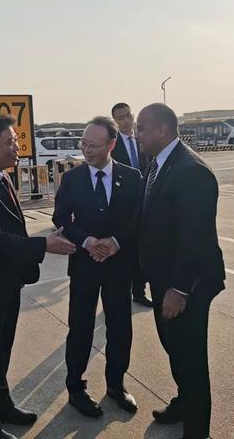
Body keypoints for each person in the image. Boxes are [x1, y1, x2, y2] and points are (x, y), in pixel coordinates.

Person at [0, 115, 76, 439]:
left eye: (17, 140)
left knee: (1, 350)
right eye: (9, 142)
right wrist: (43, 244)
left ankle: (3, 405)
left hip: (6, 281)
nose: (17, 147)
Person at [136, 103, 225, 439]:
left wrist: (180, 289)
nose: (137, 134)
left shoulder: (191, 171)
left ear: (162, 130)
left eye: (142, 128)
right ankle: (184, 401)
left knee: (191, 358)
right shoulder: (159, 163)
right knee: (174, 346)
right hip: (164, 279)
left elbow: (194, 237)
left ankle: (197, 430)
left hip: (188, 283)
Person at [53, 116, 142, 417]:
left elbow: (138, 217)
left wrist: (115, 242)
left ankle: (116, 384)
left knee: (120, 327)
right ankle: (75, 388)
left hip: (118, 265)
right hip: (85, 264)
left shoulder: (131, 177)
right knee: (80, 328)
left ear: (112, 144)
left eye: (94, 145)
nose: (87, 150)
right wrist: (87, 241)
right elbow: (61, 218)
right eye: (84, 144)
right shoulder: (72, 178)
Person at [110, 102, 153, 307]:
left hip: (146, 197)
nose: (126, 121)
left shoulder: (143, 137)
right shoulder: (113, 143)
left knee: (143, 247)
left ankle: (139, 290)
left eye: (128, 116)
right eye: (121, 118)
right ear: (115, 121)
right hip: (124, 202)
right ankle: (124, 291)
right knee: (126, 248)